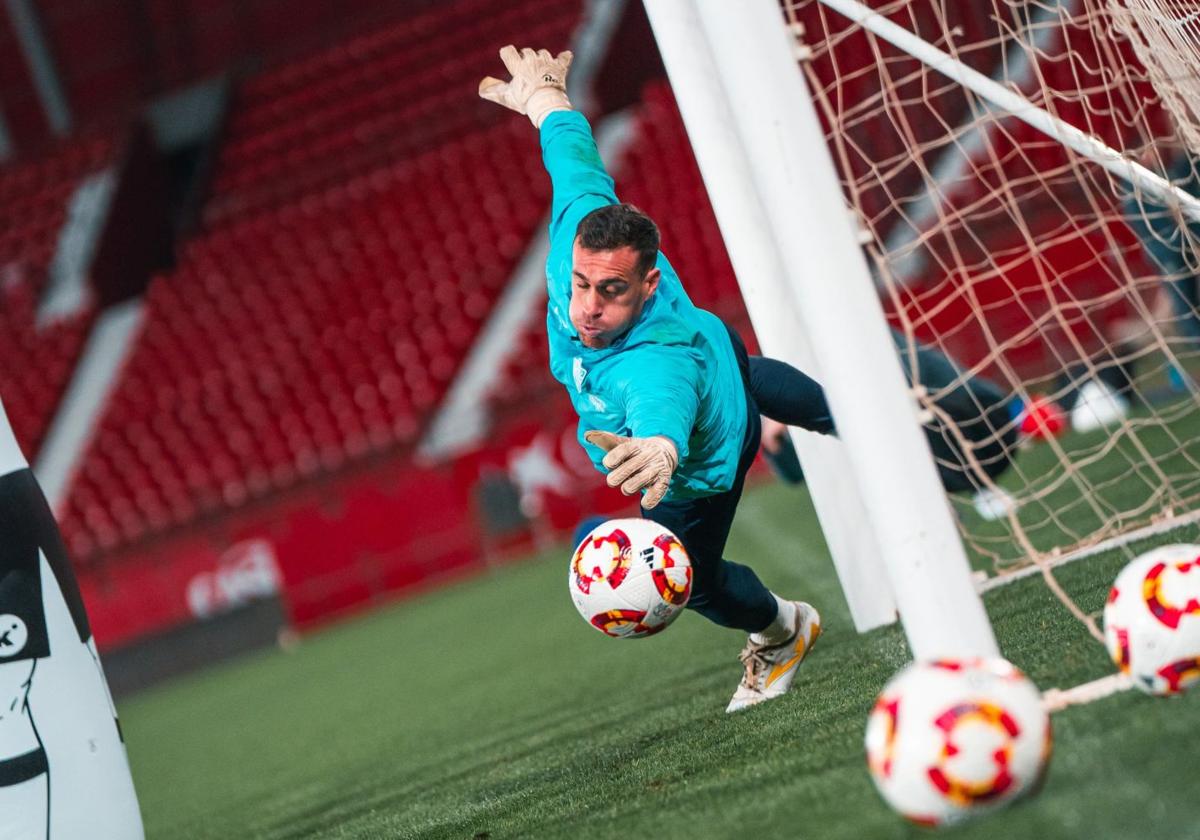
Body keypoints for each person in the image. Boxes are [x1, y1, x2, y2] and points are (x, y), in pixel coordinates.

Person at [480, 47, 833, 712]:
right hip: (713, 343)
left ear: (648, 285)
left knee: (693, 582)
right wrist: (544, 101)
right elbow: (576, 164)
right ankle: (857, 416)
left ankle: (783, 630)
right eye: (582, 284)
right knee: (741, 370)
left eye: (610, 293)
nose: (586, 306)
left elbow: (660, 404)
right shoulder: (576, 241)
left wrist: (662, 448)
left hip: (699, 447)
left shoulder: (654, 360)